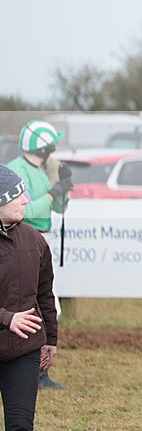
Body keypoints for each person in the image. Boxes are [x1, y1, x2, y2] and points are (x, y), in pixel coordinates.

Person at [7, 119, 70, 390]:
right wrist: (52, 193)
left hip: (40, 239)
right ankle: (33, 370)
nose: (54, 151)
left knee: (47, 302)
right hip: (23, 242)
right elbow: (28, 211)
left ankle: (38, 369)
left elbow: (57, 208)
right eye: (52, 146)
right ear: (44, 148)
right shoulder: (16, 170)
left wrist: (62, 188)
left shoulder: (40, 169)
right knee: (36, 303)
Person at [0, 163, 59, 430]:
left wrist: (50, 339)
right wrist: (7, 318)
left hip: (23, 349)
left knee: (21, 426)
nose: (26, 201)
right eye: (17, 196)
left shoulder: (34, 240)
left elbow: (45, 294)